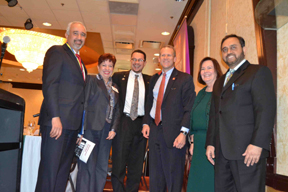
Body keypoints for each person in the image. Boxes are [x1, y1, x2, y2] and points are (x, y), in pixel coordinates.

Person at [206, 34, 276, 192]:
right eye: (224, 49)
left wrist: (258, 144)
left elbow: (265, 110)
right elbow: (215, 115)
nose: (228, 51)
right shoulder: (219, 81)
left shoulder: (258, 72)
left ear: (243, 49)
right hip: (222, 153)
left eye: (233, 47)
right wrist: (210, 143)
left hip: (248, 152)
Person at [36, 21, 87, 192]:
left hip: (71, 127)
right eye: (76, 33)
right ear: (67, 34)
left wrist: (80, 130)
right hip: (57, 124)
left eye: (83, 34)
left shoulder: (81, 63)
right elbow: (50, 85)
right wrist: (55, 117)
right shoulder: (57, 51)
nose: (79, 38)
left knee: (62, 173)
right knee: (49, 173)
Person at [142, 45, 196, 192]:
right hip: (154, 131)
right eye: (163, 55)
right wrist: (146, 123)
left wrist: (183, 133)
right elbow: (149, 103)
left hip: (175, 134)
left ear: (175, 59)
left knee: (173, 176)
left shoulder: (185, 79)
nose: (165, 58)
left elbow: (189, 108)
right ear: (159, 59)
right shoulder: (154, 79)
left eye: (169, 55)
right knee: (156, 175)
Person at [76, 53, 120, 192]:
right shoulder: (91, 80)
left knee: (101, 167)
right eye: (104, 65)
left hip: (107, 132)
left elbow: (117, 110)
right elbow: (83, 105)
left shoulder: (115, 86)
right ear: (98, 66)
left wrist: (114, 128)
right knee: (86, 165)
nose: (107, 68)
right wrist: (80, 131)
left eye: (110, 65)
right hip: (90, 129)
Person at [111, 49, 151, 192]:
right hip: (123, 122)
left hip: (142, 125)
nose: (136, 62)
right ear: (130, 60)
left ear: (144, 63)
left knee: (136, 164)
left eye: (140, 60)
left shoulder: (150, 80)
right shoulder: (117, 77)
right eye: (134, 59)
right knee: (119, 163)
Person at [186, 57, 222, 192]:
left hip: (214, 143)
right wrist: (193, 142)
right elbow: (193, 119)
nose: (205, 71)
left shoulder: (222, 93)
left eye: (209, 68)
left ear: (216, 71)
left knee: (209, 182)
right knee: (197, 181)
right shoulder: (200, 93)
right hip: (199, 145)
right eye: (202, 68)